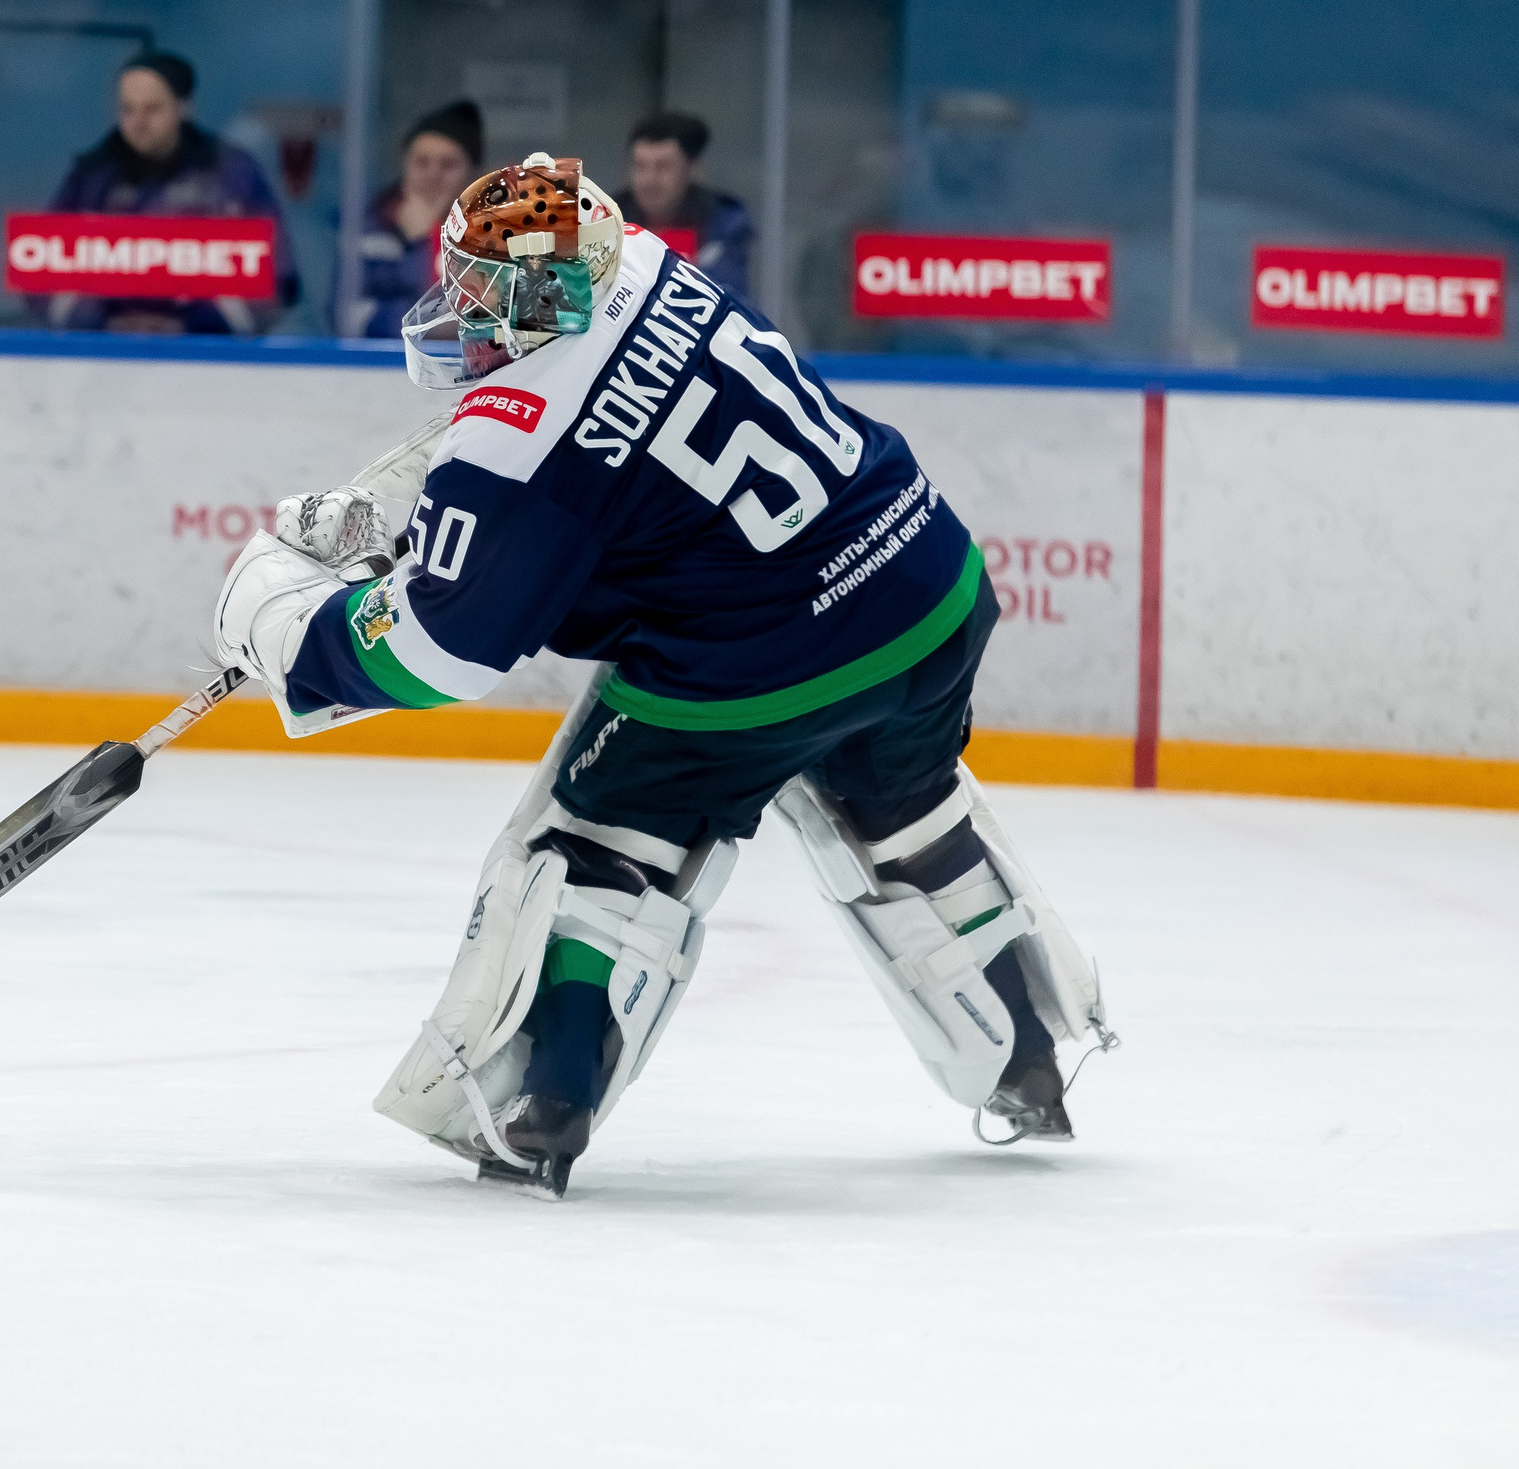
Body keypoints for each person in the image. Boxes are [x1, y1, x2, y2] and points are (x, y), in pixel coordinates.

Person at [211, 153, 1113, 1197]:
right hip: (924, 581)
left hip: (766, 658)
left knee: (598, 838)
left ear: (534, 294)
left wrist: (285, 629)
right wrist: (417, 509)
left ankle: (541, 1104)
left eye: (475, 290)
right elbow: (584, 443)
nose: (454, 308)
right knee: (903, 812)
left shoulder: (515, 440)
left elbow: (440, 651)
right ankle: (1027, 1059)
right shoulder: (636, 259)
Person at [39, 50, 299, 335]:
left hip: (210, 360)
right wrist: (104, 323)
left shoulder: (231, 174)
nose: (138, 122)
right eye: (128, 109)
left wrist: (191, 325)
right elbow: (41, 269)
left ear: (184, 108)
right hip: (104, 359)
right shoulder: (91, 176)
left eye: (152, 109)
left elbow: (277, 277)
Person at [334, 101, 483, 339]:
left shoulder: (489, 237)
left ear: (472, 174)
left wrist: (430, 238)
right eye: (421, 162)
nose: (433, 175)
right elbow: (344, 317)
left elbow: (482, 322)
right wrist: (419, 247)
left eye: (448, 165)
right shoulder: (370, 228)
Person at [615, 111, 756, 300]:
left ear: (693, 169)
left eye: (663, 166)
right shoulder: (607, 221)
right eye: (640, 166)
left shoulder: (723, 225)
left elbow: (727, 299)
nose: (649, 179)